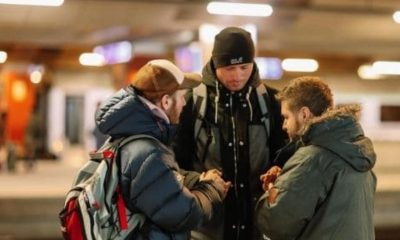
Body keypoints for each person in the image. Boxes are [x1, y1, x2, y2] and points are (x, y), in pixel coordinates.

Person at [95, 59, 231, 239]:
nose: (184, 103)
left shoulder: (127, 138)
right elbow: (183, 214)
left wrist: (196, 180)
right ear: (166, 101)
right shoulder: (147, 152)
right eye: (181, 96)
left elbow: (158, 187)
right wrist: (212, 189)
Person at [173, 26, 288, 240]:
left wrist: (277, 172)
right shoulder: (192, 103)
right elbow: (174, 165)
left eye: (244, 67)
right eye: (229, 68)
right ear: (215, 63)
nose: (237, 75)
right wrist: (199, 180)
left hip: (258, 228)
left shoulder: (271, 102)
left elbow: (283, 156)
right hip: (205, 230)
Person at [255, 76, 377, 240]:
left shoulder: (311, 159)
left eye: (286, 117)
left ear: (304, 114)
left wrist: (272, 188)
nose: (284, 126)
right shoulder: (358, 154)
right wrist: (287, 179)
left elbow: (274, 223)